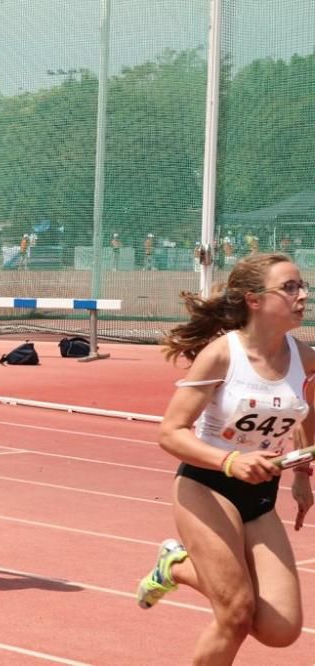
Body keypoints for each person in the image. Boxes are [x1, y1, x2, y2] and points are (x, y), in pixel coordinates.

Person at [135, 252, 315, 663]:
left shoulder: (304, 359)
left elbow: (308, 413)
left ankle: (176, 566)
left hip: (260, 493)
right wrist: (230, 462)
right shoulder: (222, 354)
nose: (302, 295)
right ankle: (190, 566)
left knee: (281, 628)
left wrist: (302, 474)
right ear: (254, 300)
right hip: (207, 485)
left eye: (303, 286)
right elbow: (170, 433)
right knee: (235, 613)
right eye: (289, 287)